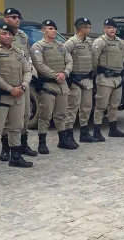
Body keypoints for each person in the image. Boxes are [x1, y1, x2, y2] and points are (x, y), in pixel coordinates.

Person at [0, 8, 37, 161]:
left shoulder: (22, 36)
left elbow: (26, 58)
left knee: (24, 115)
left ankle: (21, 145)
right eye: (13, 17)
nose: (17, 19)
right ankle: (5, 148)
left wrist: (24, 83)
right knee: (3, 121)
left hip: (21, 83)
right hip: (4, 86)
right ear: (5, 19)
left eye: (18, 17)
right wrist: (9, 88)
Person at [30, 20, 75, 153]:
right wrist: (55, 75)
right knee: (45, 115)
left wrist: (65, 73)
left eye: (54, 29)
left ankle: (63, 140)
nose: (53, 31)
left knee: (61, 114)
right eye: (50, 28)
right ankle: (42, 143)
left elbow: (69, 61)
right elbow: (39, 65)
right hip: (48, 85)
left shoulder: (61, 46)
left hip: (62, 85)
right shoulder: (38, 47)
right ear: (43, 30)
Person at [91, 18, 124, 139]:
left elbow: (123, 58)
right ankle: (96, 131)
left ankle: (113, 129)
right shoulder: (100, 42)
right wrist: (97, 73)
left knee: (114, 105)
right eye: (109, 28)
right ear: (104, 29)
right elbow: (94, 60)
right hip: (105, 79)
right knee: (101, 106)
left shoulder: (120, 42)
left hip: (117, 78)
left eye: (113, 27)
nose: (111, 30)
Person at [64, 17, 96, 145]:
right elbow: (64, 60)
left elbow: (93, 59)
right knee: (72, 108)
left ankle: (84, 132)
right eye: (88, 27)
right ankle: (68, 134)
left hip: (87, 79)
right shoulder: (70, 43)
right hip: (75, 80)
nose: (90, 29)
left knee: (86, 107)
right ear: (82, 28)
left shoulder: (89, 42)